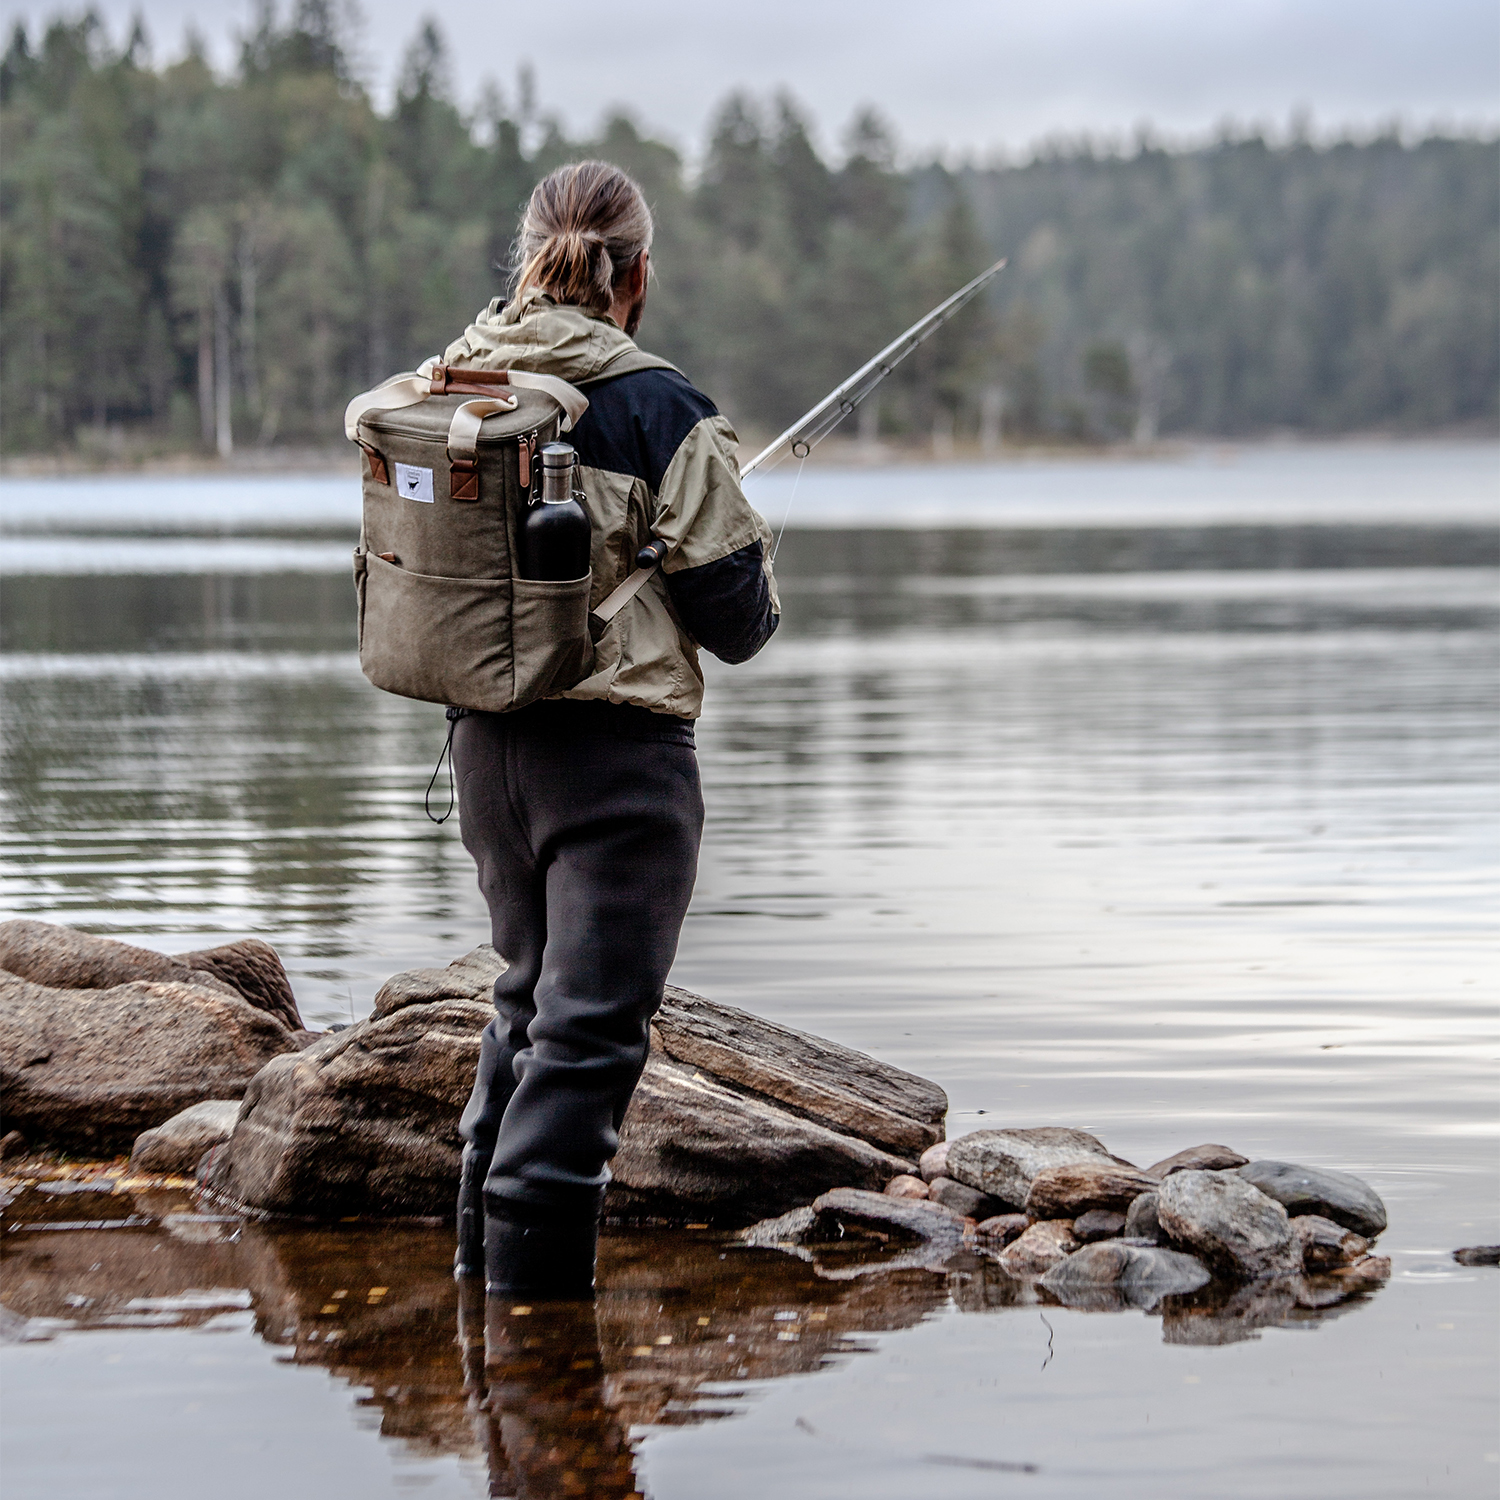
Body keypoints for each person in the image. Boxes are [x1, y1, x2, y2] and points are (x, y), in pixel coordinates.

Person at [445, 160, 780, 1299]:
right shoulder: (658, 406)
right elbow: (737, 623)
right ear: (637, 274)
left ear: (529, 258)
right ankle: (538, 1353)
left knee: (527, 1012)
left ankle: (479, 1323)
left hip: (487, 756)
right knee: (585, 1045)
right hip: (618, 773)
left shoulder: (464, 378)